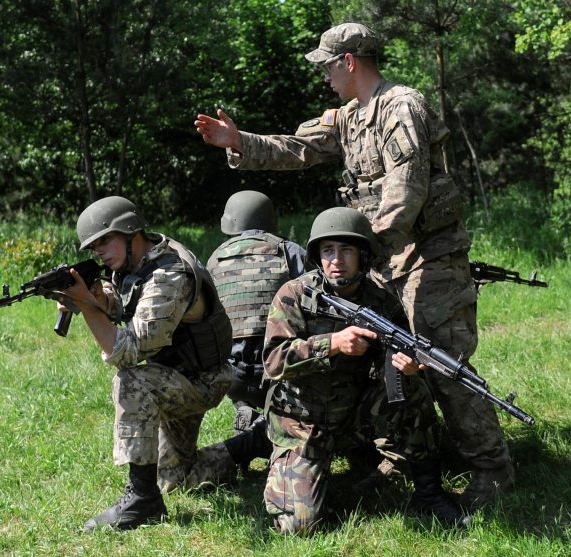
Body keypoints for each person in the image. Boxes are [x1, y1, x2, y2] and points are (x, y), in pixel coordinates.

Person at [194, 22, 513, 510]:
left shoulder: (400, 107)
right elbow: (297, 148)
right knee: (373, 361)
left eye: (325, 66)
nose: (322, 76)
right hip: (380, 259)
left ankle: (492, 469)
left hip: (428, 257)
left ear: (348, 62)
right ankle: (396, 456)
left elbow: (406, 196)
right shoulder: (350, 116)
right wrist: (239, 141)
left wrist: (362, 257)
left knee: (438, 361)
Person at [261, 207, 464, 534]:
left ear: (363, 255)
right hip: (301, 421)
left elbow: (399, 359)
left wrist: (408, 369)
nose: (336, 259)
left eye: (346, 250)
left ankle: (428, 493)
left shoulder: (380, 300)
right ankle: (269, 451)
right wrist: (332, 343)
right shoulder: (295, 295)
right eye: (328, 250)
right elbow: (273, 361)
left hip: (354, 415)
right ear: (318, 256)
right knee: (299, 526)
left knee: (414, 391)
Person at [58, 196, 233, 532]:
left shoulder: (169, 274)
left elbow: (128, 351)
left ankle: (142, 500)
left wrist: (87, 306)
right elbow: (124, 302)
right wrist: (97, 299)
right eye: (94, 247)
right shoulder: (135, 261)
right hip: (177, 373)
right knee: (175, 476)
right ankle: (249, 445)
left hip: (202, 381)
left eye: (105, 240)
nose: (100, 252)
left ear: (129, 231)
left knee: (130, 382)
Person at [205, 190, 306, 471]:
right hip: (278, 373)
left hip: (231, 376)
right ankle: (265, 428)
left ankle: (244, 408)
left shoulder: (215, 259)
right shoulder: (290, 251)